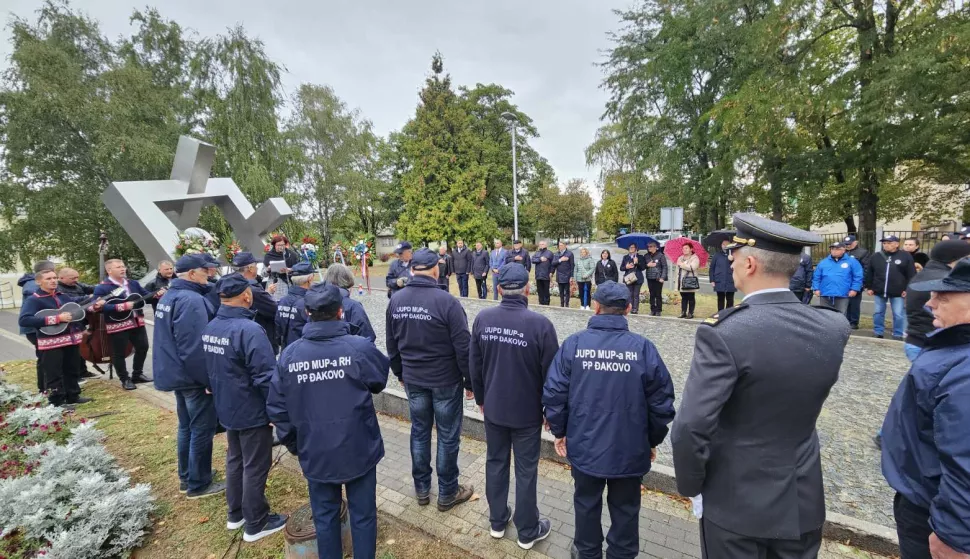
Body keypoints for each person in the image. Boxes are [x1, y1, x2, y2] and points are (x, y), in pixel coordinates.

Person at [671, 213, 851, 559]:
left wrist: (692, 487)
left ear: (750, 263)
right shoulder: (833, 327)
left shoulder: (724, 332)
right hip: (803, 499)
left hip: (737, 501)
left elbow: (691, 426)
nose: (731, 263)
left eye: (733, 256)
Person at [543, 281, 675, 559]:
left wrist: (560, 431)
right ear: (628, 309)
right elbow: (662, 404)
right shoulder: (642, 348)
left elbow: (554, 394)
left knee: (586, 505)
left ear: (595, 306)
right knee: (626, 510)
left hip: (585, 447)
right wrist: (651, 440)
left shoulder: (575, 345)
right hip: (629, 450)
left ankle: (587, 553)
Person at [270, 283, 390, 558]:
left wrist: (296, 444)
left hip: (316, 451)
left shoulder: (289, 355)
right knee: (363, 515)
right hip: (358, 448)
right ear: (340, 311)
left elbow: (277, 407)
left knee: (324, 517)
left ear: (308, 312)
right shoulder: (358, 347)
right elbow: (378, 380)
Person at [881, 258, 970, 559]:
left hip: (935, 517)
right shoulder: (955, 348)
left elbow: (964, 458)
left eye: (943, 297)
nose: (930, 304)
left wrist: (954, 537)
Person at [469, 263, 558, 549]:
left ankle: (497, 521)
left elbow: (475, 366)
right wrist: (550, 412)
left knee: (495, 463)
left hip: (494, 408)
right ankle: (527, 530)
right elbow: (552, 376)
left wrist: (481, 399)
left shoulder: (483, 319)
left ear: (498, 290)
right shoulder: (540, 325)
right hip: (527, 413)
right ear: (528, 290)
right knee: (525, 470)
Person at [385, 248, 475, 510]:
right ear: (436, 269)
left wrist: (400, 372)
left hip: (414, 379)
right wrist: (470, 381)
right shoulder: (447, 302)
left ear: (412, 270)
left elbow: (392, 344)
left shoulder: (397, 300)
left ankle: (422, 489)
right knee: (447, 436)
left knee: (420, 432)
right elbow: (463, 347)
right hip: (444, 380)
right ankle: (447, 492)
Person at [203, 273, 287, 542]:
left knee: (236, 460)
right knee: (255, 465)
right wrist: (276, 410)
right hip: (251, 409)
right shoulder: (249, 330)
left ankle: (235, 513)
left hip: (227, 406)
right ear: (247, 296)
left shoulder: (212, 325)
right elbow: (265, 376)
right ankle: (257, 522)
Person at [152, 254, 223, 498]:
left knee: (187, 427)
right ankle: (198, 483)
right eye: (205, 271)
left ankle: (186, 476)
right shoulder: (191, 300)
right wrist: (208, 379)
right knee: (202, 428)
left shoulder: (170, 295)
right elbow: (195, 346)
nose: (209, 275)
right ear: (192, 273)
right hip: (192, 377)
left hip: (176, 373)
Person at [18, 269, 100, 407]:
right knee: (54, 373)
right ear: (39, 282)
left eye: (55, 278)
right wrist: (56, 318)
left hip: (70, 339)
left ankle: (73, 395)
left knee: (71, 368)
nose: (53, 281)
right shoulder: (34, 299)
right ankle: (56, 401)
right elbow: (24, 320)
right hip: (50, 343)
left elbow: (76, 307)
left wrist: (93, 305)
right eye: (48, 278)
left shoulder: (62, 296)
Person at [94, 258, 166, 390]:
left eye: (123, 266)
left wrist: (156, 295)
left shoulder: (133, 283)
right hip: (118, 324)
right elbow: (97, 307)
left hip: (136, 321)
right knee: (119, 353)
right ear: (109, 270)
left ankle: (137, 374)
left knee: (143, 347)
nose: (123, 269)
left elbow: (145, 296)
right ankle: (124, 378)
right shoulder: (102, 287)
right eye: (118, 267)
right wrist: (121, 307)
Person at [903, 240, 970, 362]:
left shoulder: (924, 274)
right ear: (956, 258)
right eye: (967, 258)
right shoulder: (947, 280)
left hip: (917, 339)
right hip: (932, 343)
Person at [866, 235, 917, 340]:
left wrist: (907, 289)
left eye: (889, 243)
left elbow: (911, 274)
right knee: (878, 312)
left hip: (898, 291)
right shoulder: (876, 256)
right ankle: (878, 331)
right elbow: (870, 272)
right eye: (884, 243)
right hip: (879, 290)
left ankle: (898, 333)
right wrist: (869, 287)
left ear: (897, 244)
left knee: (898, 314)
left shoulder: (905, 256)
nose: (886, 245)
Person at [233, 252, 280, 353]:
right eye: (255, 265)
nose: (257, 268)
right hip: (259, 337)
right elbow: (274, 310)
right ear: (250, 268)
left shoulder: (231, 284)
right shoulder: (252, 289)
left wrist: (266, 293)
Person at [19, 261, 55, 390]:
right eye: (50, 275)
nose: (53, 279)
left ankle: (49, 387)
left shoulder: (32, 283)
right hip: (35, 329)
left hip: (40, 328)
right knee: (45, 358)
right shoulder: (32, 286)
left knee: (46, 358)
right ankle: (44, 388)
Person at [56, 267, 98, 380]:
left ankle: (83, 371)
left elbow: (91, 288)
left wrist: (102, 288)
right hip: (69, 321)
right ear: (61, 278)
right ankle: (75, 374)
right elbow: (70, 300)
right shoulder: (58, 289)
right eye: (72, 278)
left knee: (81, 344)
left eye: (77, 277)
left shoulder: (77, 284)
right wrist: (89, 297)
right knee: (73, 350)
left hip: (81, 319)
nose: (76, 280)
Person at [324, 263, 377, 343]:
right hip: (349, 352)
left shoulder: (317, 304)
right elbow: (367, 337)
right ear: (347, 278)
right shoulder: (353, 306)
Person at [812, 242, 863, 312]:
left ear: (843, 250)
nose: (834, 251)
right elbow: (816, 276)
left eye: (837, 249)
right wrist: (816, 288)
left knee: (841, 315)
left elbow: (858, 276)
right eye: (832, 249)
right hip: (825, 294)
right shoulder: (823, 262)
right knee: (825, 315)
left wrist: (854, 289)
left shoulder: (852, 262)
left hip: (843, 294)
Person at [275, 262, 315, 350]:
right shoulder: (309, 303)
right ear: (310, 278)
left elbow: (277, 327)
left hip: (287, 350)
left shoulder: (283, 301)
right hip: (305, 350)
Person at [844, 234, 871, 329]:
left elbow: (866, 269)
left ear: (856, 242)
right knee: (844, 303)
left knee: (854, 304)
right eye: (846, 244)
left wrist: (861, 282)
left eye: (850, 244)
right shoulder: (843, 252)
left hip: (856, 282)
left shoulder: (863, 253)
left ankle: (854, 322)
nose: (848, 245)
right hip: (844, 282)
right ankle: (845, 321)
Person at [709, 239, 737, 311]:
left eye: (726, 244)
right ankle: (720, 314)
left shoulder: (734, 254)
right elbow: (712, 268)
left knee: (730, 299)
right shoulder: (717, 255)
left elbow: (739, 266)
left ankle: (728, 315)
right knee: (720, 299)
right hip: (719, 280)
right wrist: (712, 280)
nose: (724, 246)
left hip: (731, 280)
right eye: (723, 244)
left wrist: (733, 260)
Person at [676, 244, 700, 319]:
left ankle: (690, 313)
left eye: (686, 248)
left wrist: (682, 264)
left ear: (691, 249)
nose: (684, 250)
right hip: (681, 281)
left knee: (691, 297)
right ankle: (683, 312)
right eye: (683, 248)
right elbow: (677, 269)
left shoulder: (695, 258)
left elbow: (692, 267)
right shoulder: (680, 258)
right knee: (683, 297)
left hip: (690, 281)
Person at [620, 244, 646, 315]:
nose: (631, 248)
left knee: (636, 294)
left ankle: (635, 309)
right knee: (629, 294)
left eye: (632, 247)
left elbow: (643, 268)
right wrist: (626, 267)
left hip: (638, 278)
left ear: (636, 248)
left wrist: (637, 263)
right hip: (628, 278)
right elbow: (621, 268)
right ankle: (630, 308)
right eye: (630, 247)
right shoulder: (625, 257)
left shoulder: (640, 257)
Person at [644, 242, 667, 316]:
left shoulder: (661, 256)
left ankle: (658, 310)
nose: (649, 248)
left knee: (658, 294)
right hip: (649, 277)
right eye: (648, 247)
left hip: (658, 278)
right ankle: (652, 309)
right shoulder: (646, 256)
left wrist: (662, 277)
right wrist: (648, 265)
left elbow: (664, 267)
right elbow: (643, 266)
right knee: (652, 294)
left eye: (651, 246)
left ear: (655, 247)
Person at [551, 241, 575, 308]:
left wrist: (571, 276)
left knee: (567, 291)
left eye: (561, 245)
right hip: (559, 275)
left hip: (567, 275)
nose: (560, 246)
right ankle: (561, 304)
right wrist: (560, 260)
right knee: (561, 291)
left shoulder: (570, 254)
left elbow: (572, 266)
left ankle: (566, 304)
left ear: (565, 246)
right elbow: (553, 263)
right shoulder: (556, 254)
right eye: (559, 245)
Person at [531, 241, 554, 305]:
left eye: (543, 244)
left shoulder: (549, 253)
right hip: (538, 275)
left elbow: (553, 264)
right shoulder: (537, 253)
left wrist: (551, 272)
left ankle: (546, 303)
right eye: (540, 244)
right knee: (540, 290)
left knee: (546, 290)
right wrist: (540, 259)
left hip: (546, 275)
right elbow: (532, 260)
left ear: (546, 245)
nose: (541, 245)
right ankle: (541, 303)